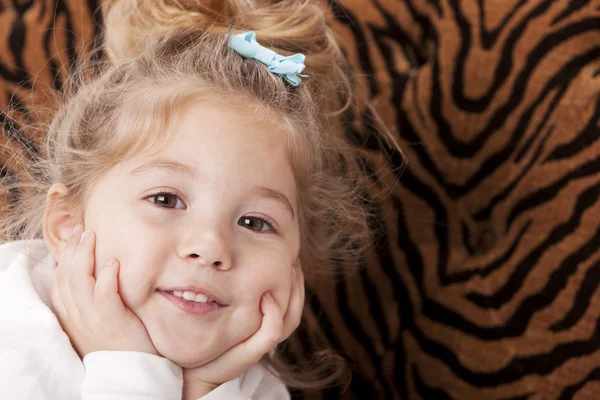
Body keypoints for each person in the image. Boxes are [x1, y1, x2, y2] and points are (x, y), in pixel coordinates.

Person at [0, 0, 396, 398]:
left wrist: (201, 388)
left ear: (295, 266)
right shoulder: (12, 336)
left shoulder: (253, 384)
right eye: (166, 200)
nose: (210, 248)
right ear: (68, 226)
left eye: (255, 223)